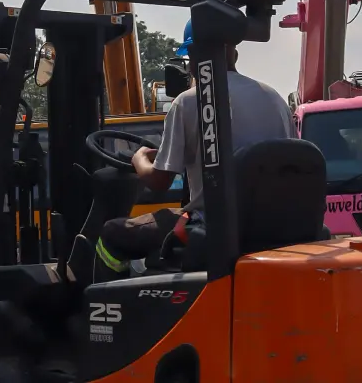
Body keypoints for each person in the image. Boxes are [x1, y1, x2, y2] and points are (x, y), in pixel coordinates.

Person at [94, 19, 295, 279]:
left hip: (211, 224)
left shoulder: (189, 102)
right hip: (270, 224)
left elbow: (159, 180)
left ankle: (107, 308)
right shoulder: (275, 99)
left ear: (192, 55)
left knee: (113, 234)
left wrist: (139, 159)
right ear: (234, 50)